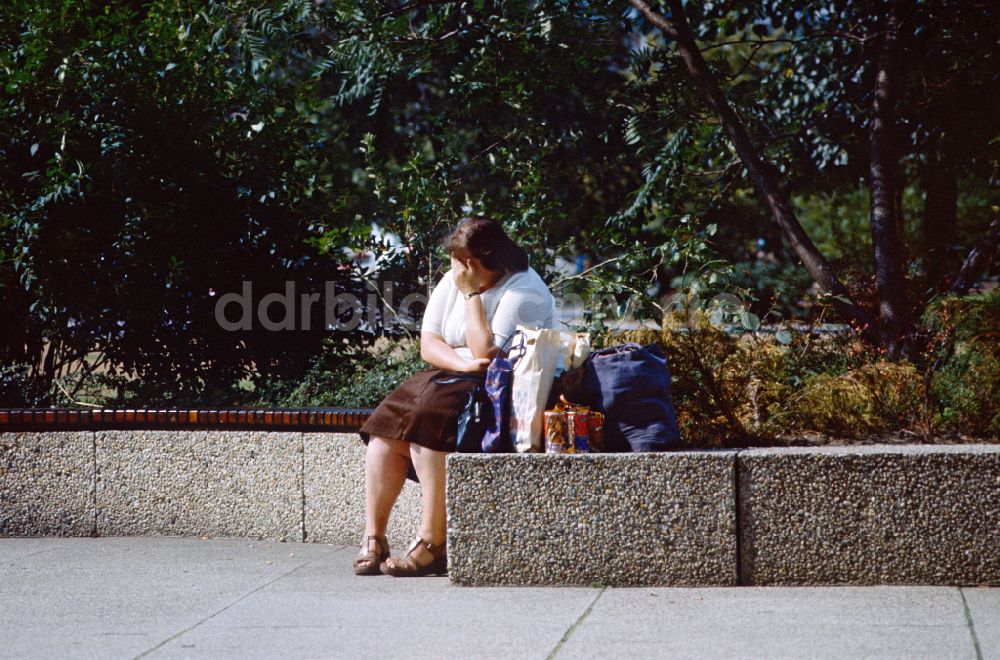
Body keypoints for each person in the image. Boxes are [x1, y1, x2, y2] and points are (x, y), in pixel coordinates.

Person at [354, 216, 556, 577]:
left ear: (478, 263)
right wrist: (461, 366)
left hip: (498, 386)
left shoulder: (525, 291)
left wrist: (471, 295)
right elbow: (429, 344)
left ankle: (434, 543)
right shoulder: (455, 278)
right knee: (385, 428)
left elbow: (486, 354)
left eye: (460, 262)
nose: (453, 270)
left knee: (430, 421)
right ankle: (375, 537)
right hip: (454, 374)